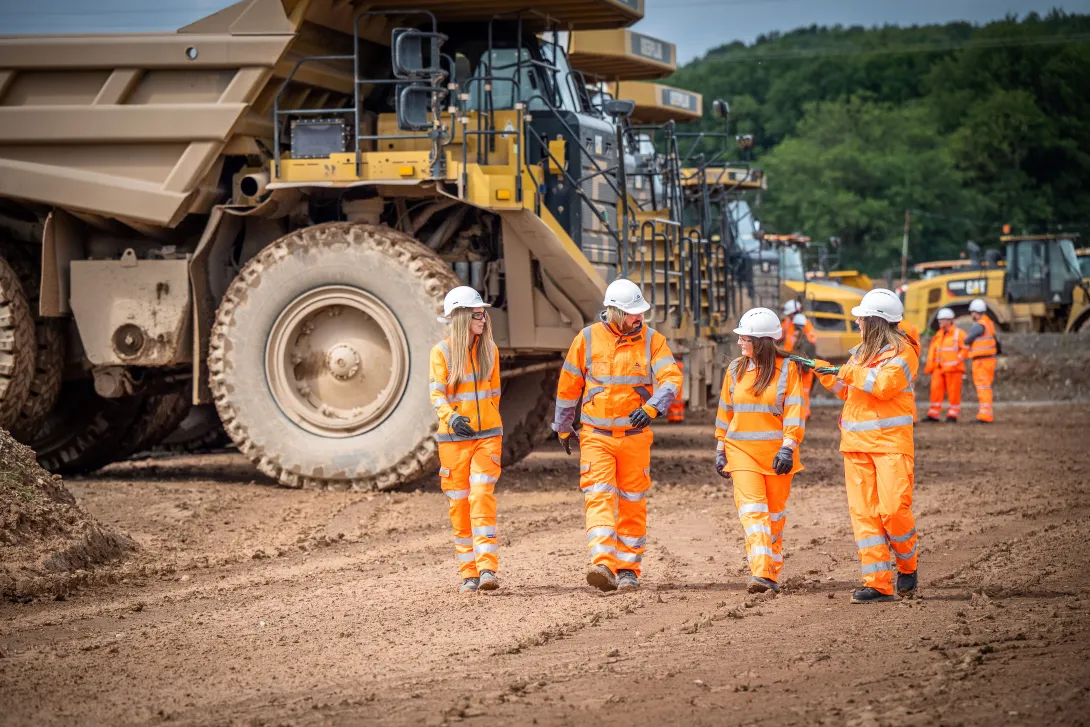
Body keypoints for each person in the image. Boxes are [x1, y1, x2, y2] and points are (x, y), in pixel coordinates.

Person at [552, 279, 683, 592]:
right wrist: (562, 425)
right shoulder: (586, 339)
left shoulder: (653, 341)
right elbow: (569, 385)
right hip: (596, 436)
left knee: (632, 502)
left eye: (640, 312)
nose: (639, 318)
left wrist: (653, 408)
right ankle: (602, 562)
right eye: (631, 313)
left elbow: (671, 379)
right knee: (598, 496)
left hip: (635, 438)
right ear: (613, 312)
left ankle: (628, 570)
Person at [796, 288, 920, 604]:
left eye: (861, 320)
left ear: (874, 322)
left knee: (893, 511)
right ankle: (878, 584)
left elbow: (882, 386)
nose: (858, 325)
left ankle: (908, 565)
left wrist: (845, 370)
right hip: (856, 446)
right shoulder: (861, 353)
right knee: (864, 515)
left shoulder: (903, 353)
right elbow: (848, 389)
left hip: (891, 445)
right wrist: (822, 370)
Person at [714, 307, 806, 594]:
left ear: (762, 341)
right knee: (753, 512)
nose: (740, 342)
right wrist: (720, 446)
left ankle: (771, 572)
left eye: (745, 338)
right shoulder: (734, 369)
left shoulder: (788, 370)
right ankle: (762, 573)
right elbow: (725, 412)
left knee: (774, 516)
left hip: (777, 454)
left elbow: (794, 412)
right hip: (740, 451)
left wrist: (788, 447)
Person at [429, 286, 503, 594]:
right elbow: (436, 394)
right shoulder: (441, 352)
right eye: (476, 313)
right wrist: (454, 418)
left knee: (481, 495)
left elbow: (495, 393)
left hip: (487, 437)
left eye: (483, 312)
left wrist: (488, 420)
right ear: (461, 317)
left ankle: (487, 569)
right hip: (452, 441)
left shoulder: (490, 350)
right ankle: (468, 573)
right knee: (459, 505)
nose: (483, 318)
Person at [923, 307, 967, 423]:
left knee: (954, 392)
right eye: (939, 320)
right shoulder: (939, 334)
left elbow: (965, 349)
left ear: (949, 320)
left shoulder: (959, 334)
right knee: (935, 391)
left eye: (942, 320)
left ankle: (953, 415)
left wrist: (957, 360)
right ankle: (933, 414)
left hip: (953, 368)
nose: (940, 322)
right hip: (938, 368)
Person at [780, 300, 817, 420]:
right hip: (789, 361)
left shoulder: (805, 325)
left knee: (803, 391)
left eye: (790, 314)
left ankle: (804, 414)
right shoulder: (788, 322)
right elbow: (780, 335)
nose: (789, 316)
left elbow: (811, 344)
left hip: (800, 363)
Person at [964, 299, 998, 423]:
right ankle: (986, 413)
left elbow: (967, 340)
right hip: (988, 361)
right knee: (985, 387)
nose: (971, 315)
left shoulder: (979, 325)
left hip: (981, 362)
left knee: (983, 387)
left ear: (975, 312)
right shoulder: (988, 323)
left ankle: (985, 415)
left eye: (972, 312)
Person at [898, 319, 922, 421]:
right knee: (909, 390)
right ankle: (913, 417)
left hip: (894, 361)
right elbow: (916, 345)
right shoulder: (911, 326)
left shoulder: (887, 324)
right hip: (909, 361)